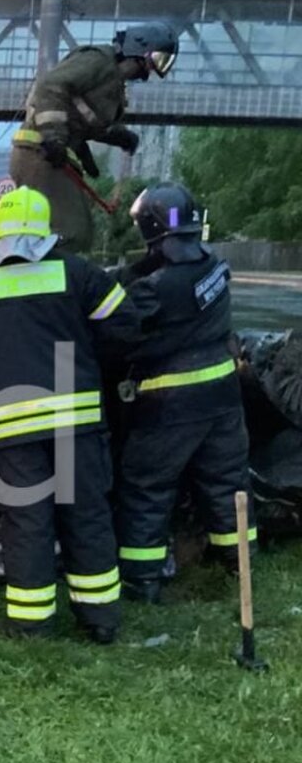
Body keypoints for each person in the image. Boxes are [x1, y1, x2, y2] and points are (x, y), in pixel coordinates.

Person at [0, 186, 139, 643]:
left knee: (26, 521)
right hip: (76, 421)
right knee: (86, 514)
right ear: (46, 231)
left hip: (10, 429)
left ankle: (30, 624)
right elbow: (125, 327)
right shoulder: (78, 274)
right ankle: (100, 621)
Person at [114, 182, 252, 603]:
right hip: (224, 398)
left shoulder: (155, 289)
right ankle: (239, 565)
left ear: (150, 228)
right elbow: (166, 275)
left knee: (146, 488)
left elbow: (120, 332)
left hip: (170, 404)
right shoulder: (214, 267)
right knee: (227, 483)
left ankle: (142, 580)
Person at [9, 22, 179, 253]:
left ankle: (49, 280)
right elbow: (51, 87)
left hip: (47, 155)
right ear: (138, 49)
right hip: (39, 152)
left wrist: (119, 136)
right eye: (150, 63)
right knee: (72, 233)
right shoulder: (99, 61)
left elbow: (83, 117)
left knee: (76, 231)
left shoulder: (112, 80)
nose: (145, 74)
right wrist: (53, 137)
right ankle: (54, 286)